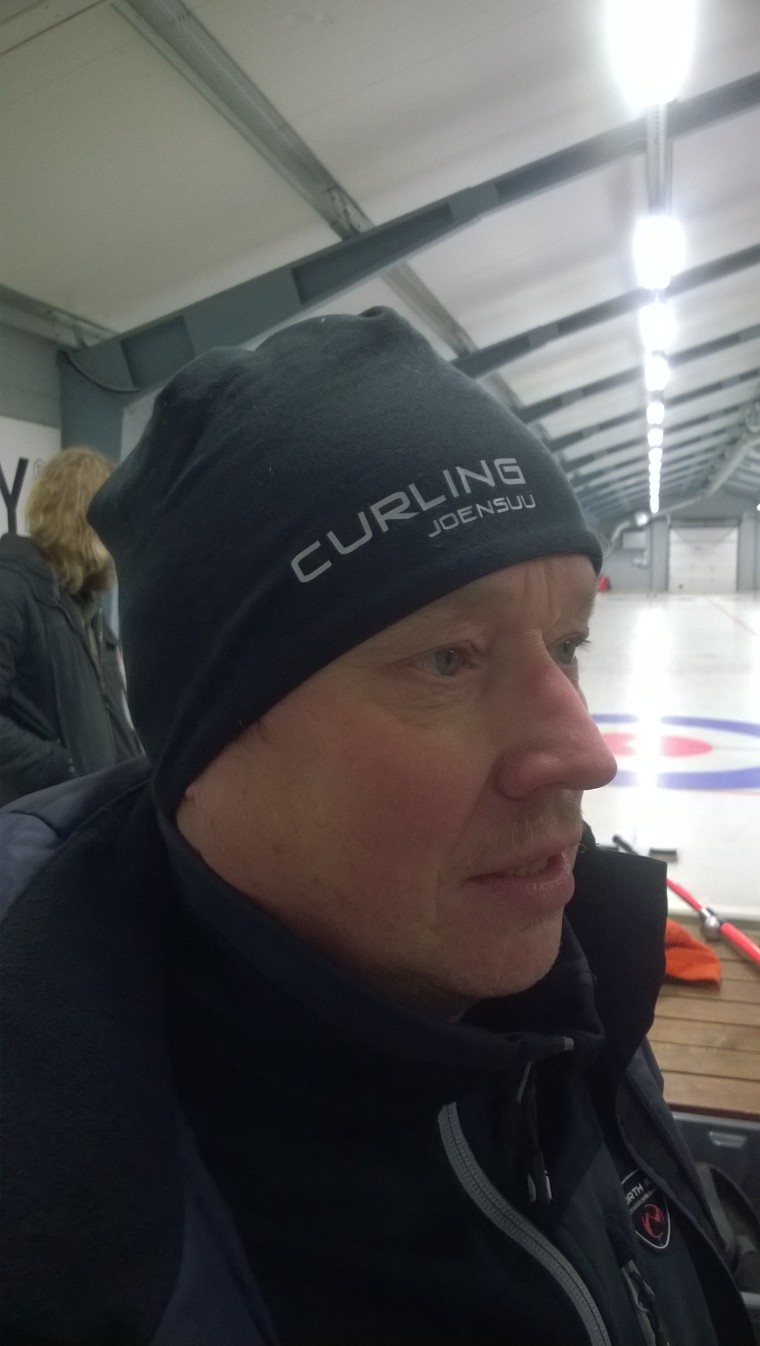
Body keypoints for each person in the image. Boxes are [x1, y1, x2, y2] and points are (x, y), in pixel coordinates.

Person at [0, 310, 753, 1346]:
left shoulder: (573, 985)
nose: (587, 752)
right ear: (212, 737)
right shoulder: (70, 1241)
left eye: (567, 644)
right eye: (449, 658)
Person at [0, 446, 140, 805]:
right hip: (46, 815)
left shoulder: (82, 599)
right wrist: (62, 766)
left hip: (98, 807)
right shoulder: (12, 589)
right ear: (86, 520)